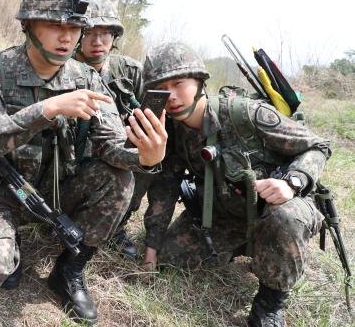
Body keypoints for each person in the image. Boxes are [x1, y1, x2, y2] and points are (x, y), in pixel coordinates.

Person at [0, 0, 168, 324]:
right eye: (56, 26)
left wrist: (145, 157)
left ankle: (68, 271)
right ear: (29, 25)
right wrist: (46, 110)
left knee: (119, 179)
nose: (67, 38)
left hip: (57, 190)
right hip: (0, 191)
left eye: (74, 29)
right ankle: (11, 242)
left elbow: (109, 145)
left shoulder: (86, 77)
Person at [139, 42, 330, 327]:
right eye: (162, 88)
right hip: (226, 212)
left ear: (200, 82)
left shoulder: (245, 114)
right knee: (169, 259)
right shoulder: (172, 132)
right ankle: (246, 247)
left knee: (284, 217)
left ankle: (269, 303)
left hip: (276, 207)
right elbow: (164, 189)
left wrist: (293, 182)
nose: (172, 96)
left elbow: (318, 146)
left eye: (179, 83)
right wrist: (152, 247)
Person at [74, 0, 155, 262]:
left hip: (118, 150)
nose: (98, 41)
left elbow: (149, 117)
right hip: (75, 153)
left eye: (105, 33)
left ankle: (117, 224)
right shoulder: (65, 68)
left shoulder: (129, 72)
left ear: (114, 37)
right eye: (89, 33)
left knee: (148, 157)